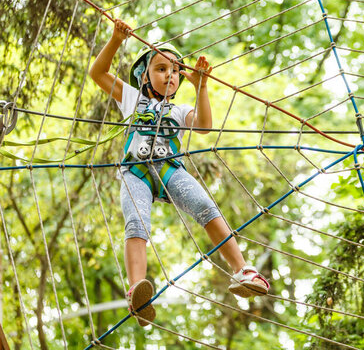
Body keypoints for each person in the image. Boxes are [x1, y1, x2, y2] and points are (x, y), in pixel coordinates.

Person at [89, 18, 269, 327]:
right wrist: (117, 39)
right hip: (136, 172)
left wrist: (201, 88)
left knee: (205, 206)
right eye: (161, 69)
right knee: (136, 221)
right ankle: (137, 290)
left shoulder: (179, 110)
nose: (169, 75)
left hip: (171, 169)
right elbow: (97, 73)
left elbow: (203, 126)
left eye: (175, 71)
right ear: (144, 75)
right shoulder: (132, 98)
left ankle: (242, 270)